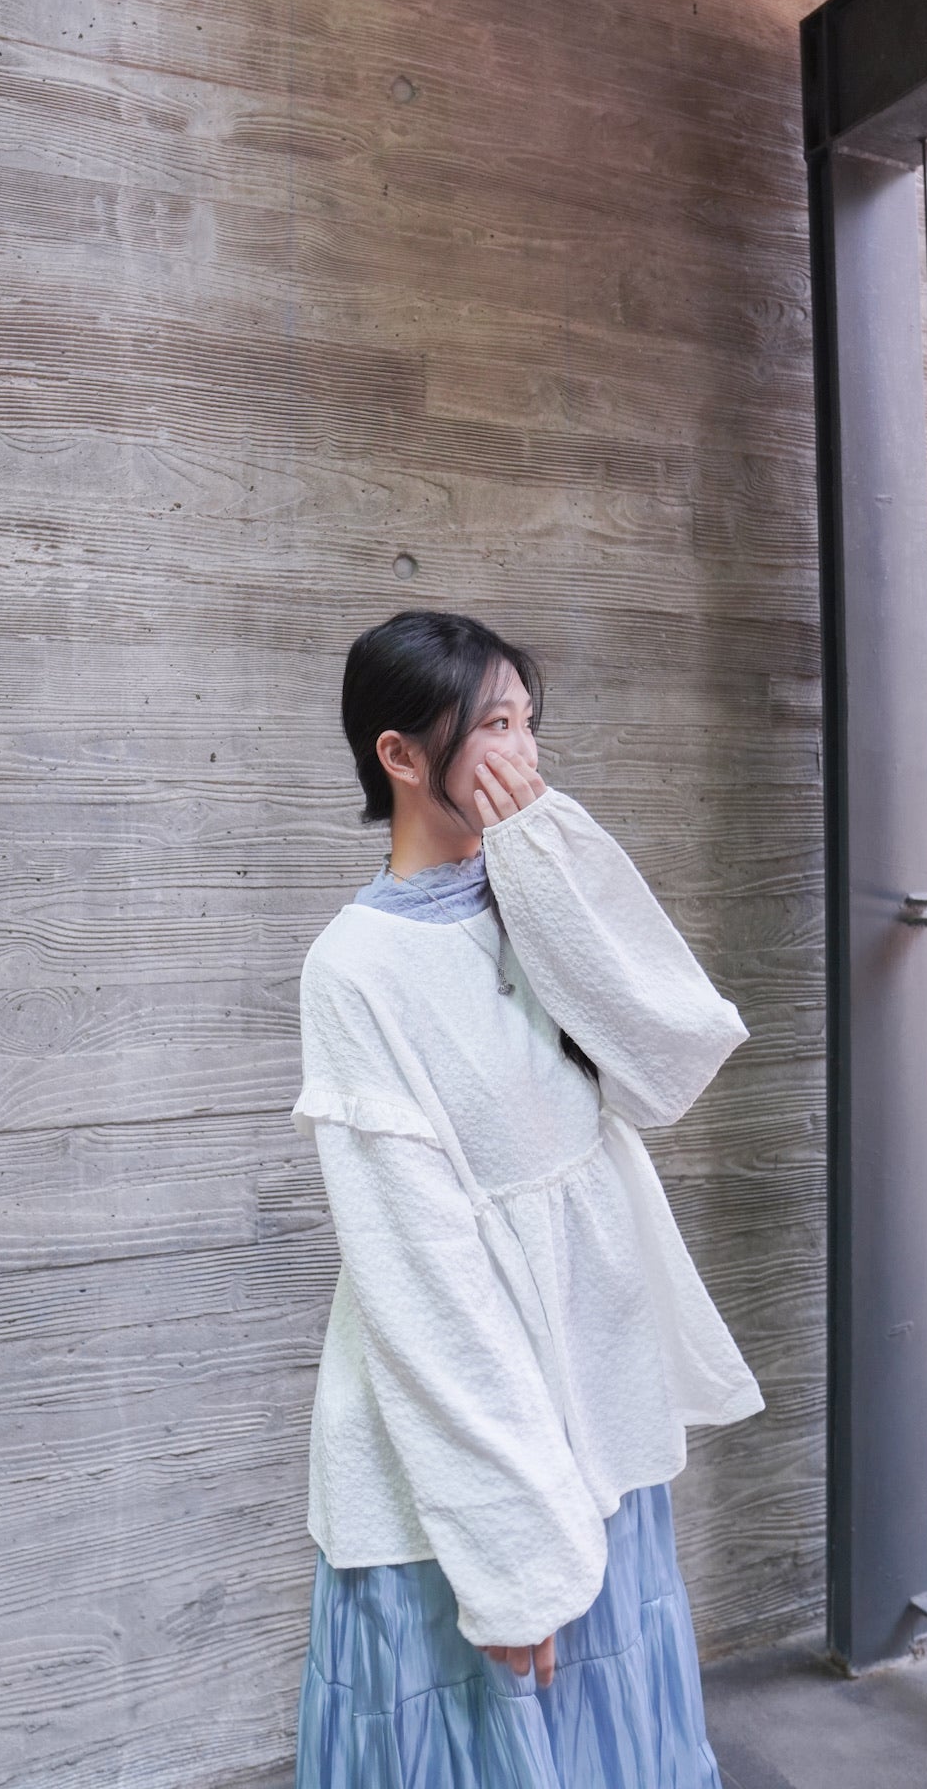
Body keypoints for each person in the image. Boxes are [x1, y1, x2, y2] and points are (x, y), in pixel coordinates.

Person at [291, 608, 764, 1787]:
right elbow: (422, 1280)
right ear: (401, 754)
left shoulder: (531, 890)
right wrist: (509, 1556)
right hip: (471, 1434)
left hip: (594, 1394)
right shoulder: (354, 969)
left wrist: (548, 855)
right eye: (493, 724)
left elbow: (669, 1062)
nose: (525, 752)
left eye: (527, 722)